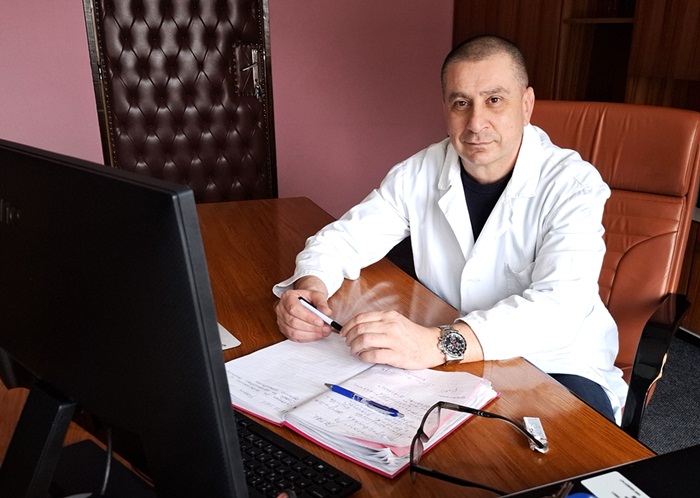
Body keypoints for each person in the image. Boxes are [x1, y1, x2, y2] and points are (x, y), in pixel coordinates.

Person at [272, 35, 627, 423]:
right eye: (461, 103)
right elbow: (345, 238)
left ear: (526, 105)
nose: (476, 123)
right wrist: (310, 287)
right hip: (449, 357)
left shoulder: (573, 185)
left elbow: (559, 309)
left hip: (554, 364)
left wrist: (439, 343)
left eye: (494, 100)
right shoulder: (419, 172)